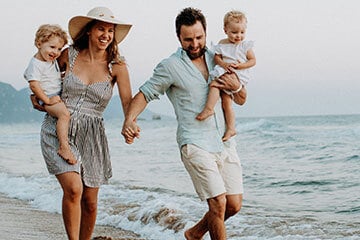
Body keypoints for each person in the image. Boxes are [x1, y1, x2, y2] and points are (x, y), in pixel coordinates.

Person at [122, 7, 246, 240]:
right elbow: (145, 93)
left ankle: (195, 233)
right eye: (188, 39)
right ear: (179, 37)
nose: (195, 43)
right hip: (194, 142)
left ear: (206, 33)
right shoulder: (170, 66)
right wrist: (130, 119)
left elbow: (241, 98)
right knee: (218, 203)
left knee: (233, 205)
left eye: (199, 37)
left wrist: (236, 86)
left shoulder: (219, 59)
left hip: (225, 142)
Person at [31, 7, 132, 240]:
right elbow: (42, 72)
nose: (106, 35)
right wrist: (35, 93)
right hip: (59, 128)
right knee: (74, 189)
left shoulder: (117, 66)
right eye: (100, 29)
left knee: (90, 202)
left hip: (93, 134)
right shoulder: (69, 54)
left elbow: (127, 103)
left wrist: (130, 124)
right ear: (89, 31)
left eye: (110, 30)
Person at [197, 10, 256, 141]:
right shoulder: (222, 43)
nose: (238, 36)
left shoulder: (245, 46)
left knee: (214, 85)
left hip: (238, 74)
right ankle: (230, 128)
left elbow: (253, 61)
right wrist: (223, 64)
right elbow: (217, 58)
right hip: (224, 71)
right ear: (225, 30)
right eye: (234, 32)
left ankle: (208, 108)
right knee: (226, 102)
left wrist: (240, 66)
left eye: (242, 32)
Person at [24, 24, 77, 164]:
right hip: (47, 98)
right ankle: (64, 147)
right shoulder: (36, 64)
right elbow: (34, 84)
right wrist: (47, 100)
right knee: (64, 115)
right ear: (39, 43)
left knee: (66, 114)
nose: (56, 52)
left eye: (59, 49)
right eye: (52, 47)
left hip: (54, 94)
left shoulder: (49, 60)